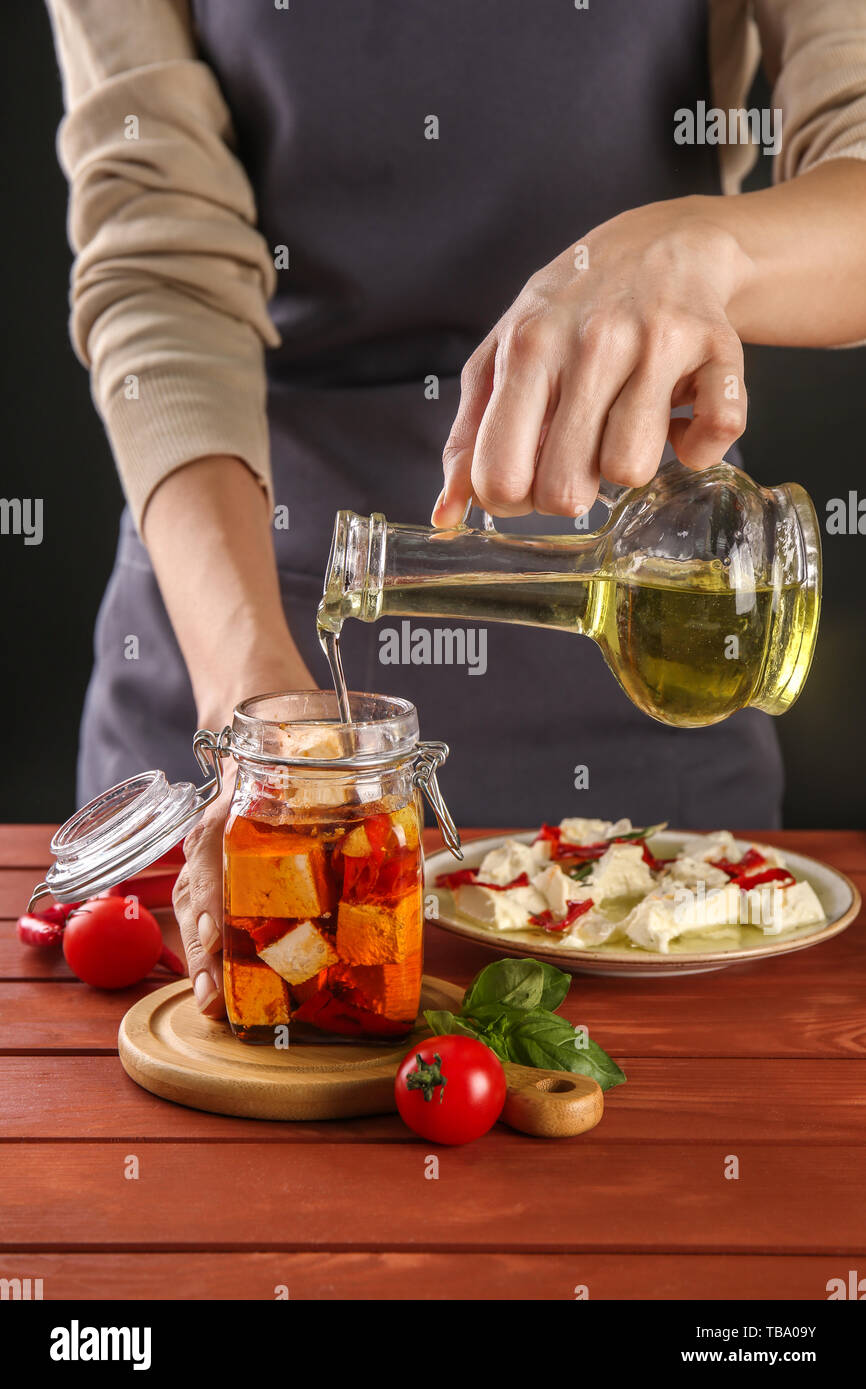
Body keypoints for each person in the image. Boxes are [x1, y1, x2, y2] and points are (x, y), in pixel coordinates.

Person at [46, 0, 866, 1016]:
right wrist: (247, 710)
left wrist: (702, 247)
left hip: (657, 658)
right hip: (234, 629)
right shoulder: (243, 706)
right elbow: (158, 267)